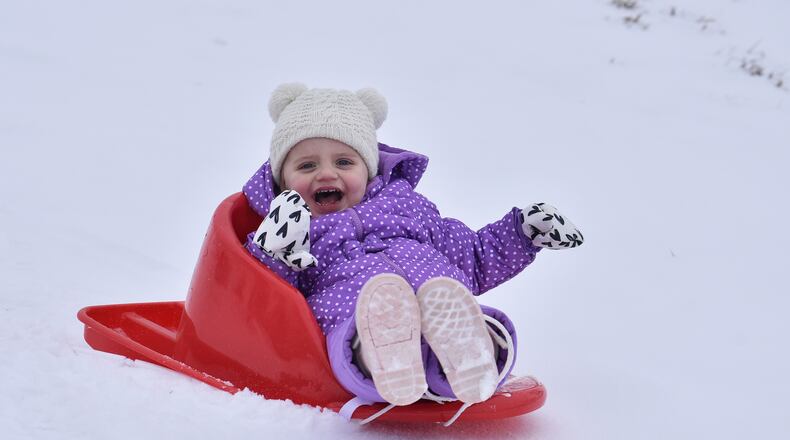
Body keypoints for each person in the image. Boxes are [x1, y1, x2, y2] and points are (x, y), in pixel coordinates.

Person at [242, 83, 583, 425]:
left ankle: (473, 350)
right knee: (360, 333)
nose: (326, 173)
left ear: (370, 168)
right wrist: (276, 252)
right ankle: (384, 359)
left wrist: (523, 231)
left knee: (477, 317)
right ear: (281, 183)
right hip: (356, 318)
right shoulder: (292, 230)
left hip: (440, 296)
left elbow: (473, 256)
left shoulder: (408, 208)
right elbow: (267, 300)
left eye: (344, 161)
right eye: (306, 166)